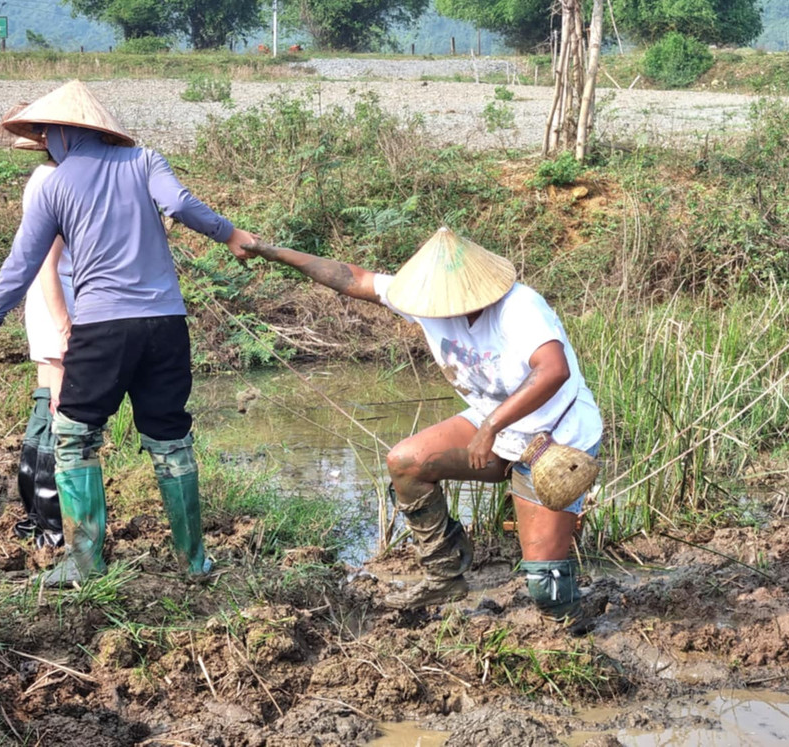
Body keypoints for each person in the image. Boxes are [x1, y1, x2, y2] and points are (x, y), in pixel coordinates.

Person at [0, 80, 258, 586]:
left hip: (103, 326)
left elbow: (20, 266)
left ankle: (85, 562)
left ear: (62, 133)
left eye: (46, 133)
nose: (45, 143)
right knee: (170, 437)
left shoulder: (52, 185)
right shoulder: (144, 160)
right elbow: (179, 206)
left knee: (73, 435)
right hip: (166, 324)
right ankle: (195, 562)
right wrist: (231, 235)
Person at [248, 226, 605, 621]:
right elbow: (354, 279)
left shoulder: (519, 307)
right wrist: (277, 253)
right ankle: (444, 573)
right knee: (407, 462)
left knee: (545, 585)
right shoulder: (425, 301)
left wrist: (489, 428)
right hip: (496, 426)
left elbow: (553, 370)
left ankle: (572, 629)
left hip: (554, 436)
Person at [7, 106, 71, 548]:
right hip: (56, 295)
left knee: (46, 398)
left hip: (42, 296)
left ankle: (34, 518)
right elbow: (50, 262)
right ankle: (51, 528)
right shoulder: (58, 182)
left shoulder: (41, 177)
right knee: (60, 411)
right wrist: (66, 324)